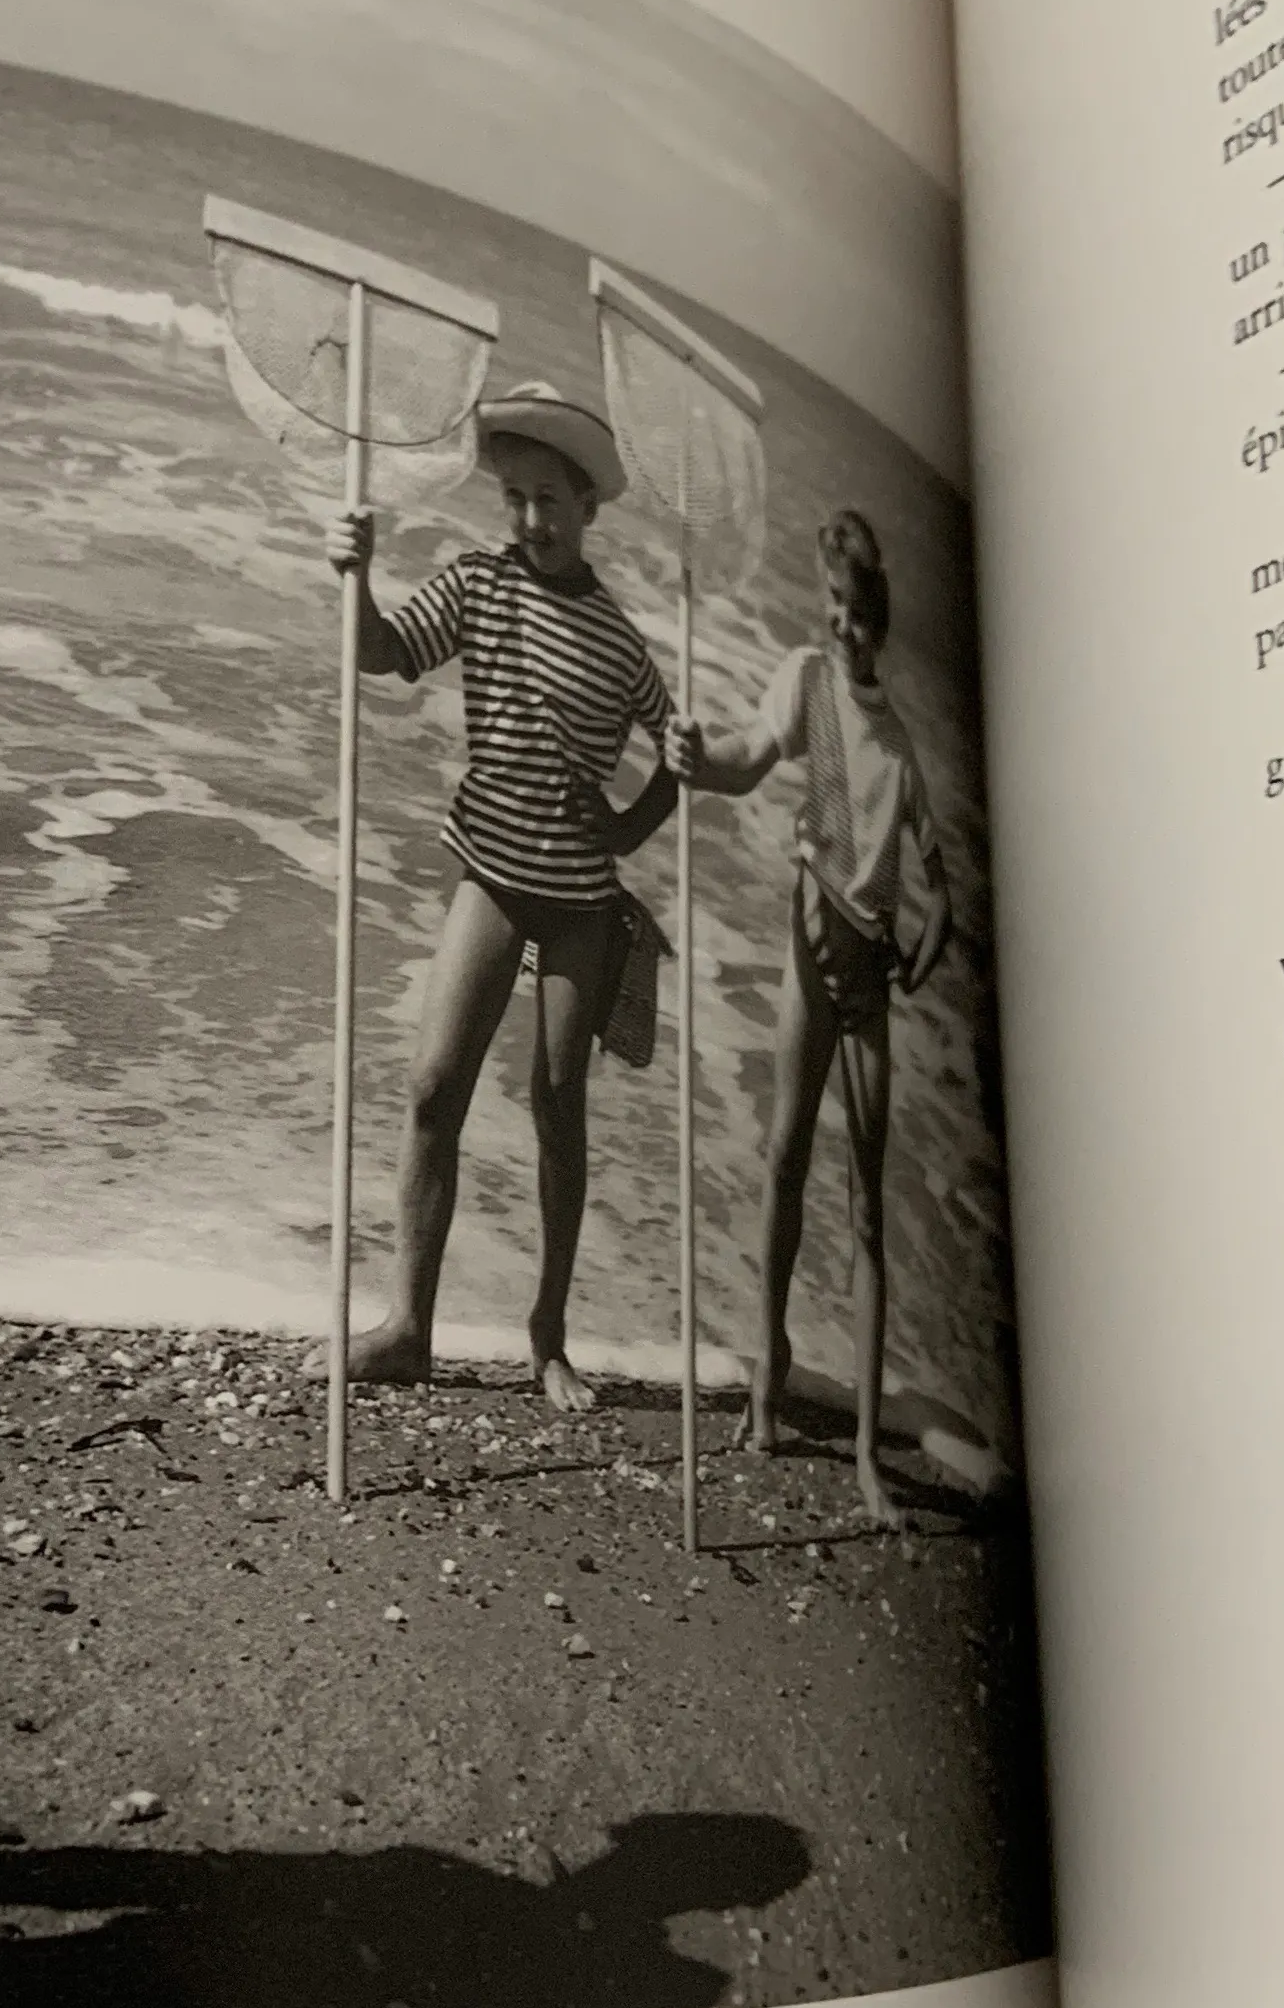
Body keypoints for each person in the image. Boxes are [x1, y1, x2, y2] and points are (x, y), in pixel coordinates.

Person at [328, 382, 677, 1411]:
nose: (530, 519)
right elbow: (383, 653)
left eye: (549, 500)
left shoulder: (617, 640)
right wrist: (355, 575)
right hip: (491, 872)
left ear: (587, 506)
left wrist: (629, 827)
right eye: (514, 497)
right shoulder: (477, 585)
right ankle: (407, 1328)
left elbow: (676, 750)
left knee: (558, 1106)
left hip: (579, 901)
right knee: (433, 1086)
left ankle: (548, 1338)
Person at [667, 508, 951, 1530]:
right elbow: (748, 756)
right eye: (832, 603)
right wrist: (697, 757)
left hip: (866, 986)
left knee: (867, 1212)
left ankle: (868, 1453)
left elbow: (939, 889)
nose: (841, 624)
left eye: (858, 612)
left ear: (881, 622)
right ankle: (769, 1366)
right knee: (785, 1154)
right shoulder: (803, 679)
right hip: (806, 951)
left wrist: (924, 947)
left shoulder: (901, 750)